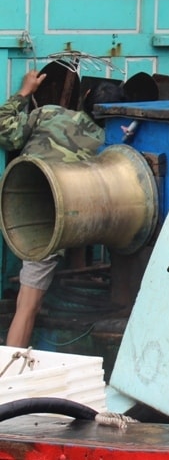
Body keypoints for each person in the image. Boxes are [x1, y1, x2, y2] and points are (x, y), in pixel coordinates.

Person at [0, 69, 125, 347]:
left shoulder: (48, 114)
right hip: (50, 224)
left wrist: (25, 92)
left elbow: (5, 130)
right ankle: (9, 379)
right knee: (27, 307)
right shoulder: (107, 145)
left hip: (12, 201)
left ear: (87, 96)